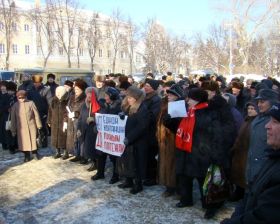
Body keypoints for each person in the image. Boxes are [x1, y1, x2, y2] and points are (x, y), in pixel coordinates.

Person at [221, 103, 280, 224]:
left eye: (275, 122)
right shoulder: (273, 157)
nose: (267, 126)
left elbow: (264, 217)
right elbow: (250, 195)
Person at [117, 86, 149, 194]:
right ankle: (128, 180)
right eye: (128, 97)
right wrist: (122, 116)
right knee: (128, 161)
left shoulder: (142, 108)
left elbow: (142, 127)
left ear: (136, 98)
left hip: (138, 142)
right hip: (129, 140)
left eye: (130, 97)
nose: (128, 99)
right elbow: (127, 118)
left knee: (137, 163)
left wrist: (129, 137)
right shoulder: (129, 107)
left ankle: (138, 184)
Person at [157, 84, 184, 197]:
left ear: (177, 96)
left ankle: (177, 187)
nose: (169, 95)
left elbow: (179, 126)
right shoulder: (164, 104)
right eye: (168, 93)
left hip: (174, 139)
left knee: (174, 164)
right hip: (164, 139)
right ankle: (169, 186)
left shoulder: (180, 106)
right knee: (166, 163)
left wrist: (170, 123)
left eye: (172, 94)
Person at [91, 87, 122, 184]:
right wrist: (97, 126)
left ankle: (115, 175)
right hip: (103, 135)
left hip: (113, 137)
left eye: (107, 95)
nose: (105, 97)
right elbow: (100, 118)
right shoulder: (103, 105)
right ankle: (100, 172)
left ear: (112, 96)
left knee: (114, 157)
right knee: (101, 154)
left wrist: (122, 116)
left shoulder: (119, 107)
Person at [229, 102, 258, 201]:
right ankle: (238, 193)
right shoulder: (247, 120)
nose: (250, 110)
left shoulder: (257, 122)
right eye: (249, 108)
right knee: (238, 174)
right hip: (240, 152)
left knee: (245, 175)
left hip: (248, 153)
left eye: (252, 108)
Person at [10, 90, 43, 162]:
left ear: (25, 96)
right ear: (17, 98)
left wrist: (39, 125)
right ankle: (26, 155)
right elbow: (13, 119)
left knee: (33, 140)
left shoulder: (31, 103)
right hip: (21, 128)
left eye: (23, 97)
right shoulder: (15, 105)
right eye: (20, 98)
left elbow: (36, 115)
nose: (21, 99)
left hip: (31, 126)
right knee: (24, 142)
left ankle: (35, 153)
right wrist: (13, 130)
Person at [142, 79, 161, 186]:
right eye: (145, 85)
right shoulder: (145, 97)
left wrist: (141, 115)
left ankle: (153, 178)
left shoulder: (156, 99)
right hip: (146, 131)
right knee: (147, 155)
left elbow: (153, 115)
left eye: (148, 85)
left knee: (151, 156)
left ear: (153, 87)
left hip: (152, 132)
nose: (145, 87)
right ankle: (147, 175)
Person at [64, 79, 87, 160]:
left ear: (82, 89)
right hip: (71, 120)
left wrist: (75, 114)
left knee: (79, 138)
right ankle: (76, 153)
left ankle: (82, 155)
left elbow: (84, 110)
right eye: (75, 89)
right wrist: (66, 120)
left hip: (79, 121)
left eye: (78, 89)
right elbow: (67, 108)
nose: (76, 90)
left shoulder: (84, 98)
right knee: (73, 138)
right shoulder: (72, 97)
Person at [47, 86, 68, 159]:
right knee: (55, 137)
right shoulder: (53, 100)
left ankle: (65, 152)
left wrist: (66, 120)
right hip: (55, 122)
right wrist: (49, 120)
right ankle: (57, 152)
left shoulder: (66, 100)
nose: (58, 94)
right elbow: (50, 111)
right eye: (57, 92)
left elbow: (68, 112)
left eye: (60, 93)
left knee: (64, 137)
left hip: (63, 122)